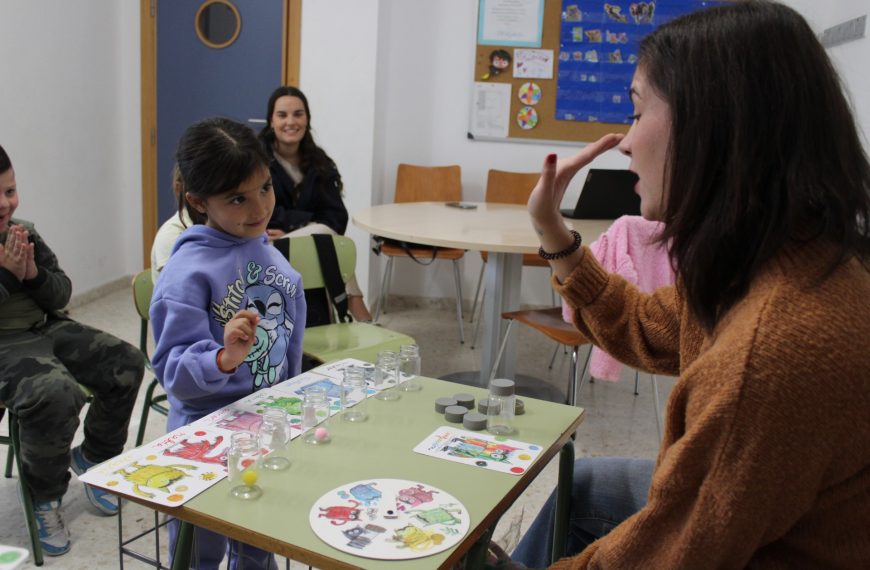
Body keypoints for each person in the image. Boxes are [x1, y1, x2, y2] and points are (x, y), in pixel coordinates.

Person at [510, 2, 870, 568]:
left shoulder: (772, 350)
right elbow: (651, 328)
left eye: (636, 110)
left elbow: (669, 557)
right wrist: (553, 231)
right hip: (751, 516)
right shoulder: (776, 258)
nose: (626, 143)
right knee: (590, 484)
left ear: (713, 124)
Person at [150, 117, 306, 569]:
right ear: (199, 201)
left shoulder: (266, 250)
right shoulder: (186, 273)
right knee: (199, 552)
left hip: (265, 428)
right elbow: (175, 371)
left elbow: (288, 349)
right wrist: (221, 358)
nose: (258, 208)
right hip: (204, 438)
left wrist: (288, 406)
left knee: (258, 546)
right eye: (237, 198)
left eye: (264, 188)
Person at [0, 143, 144, 556]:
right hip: (5, 345)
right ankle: (45, 497)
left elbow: (61, 291)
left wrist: (31, 273)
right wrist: (9, 276)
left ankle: (95, 457)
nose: (5, 203)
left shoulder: (23, 231)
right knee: (56, 393)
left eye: (10, 191)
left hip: (46, 327)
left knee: (126, 363)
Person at [259, 85, 373, 322]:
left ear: (307, 119)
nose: (291, 121)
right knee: (323, 235)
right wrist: (305, 223)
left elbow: (337, 217)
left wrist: (292, 228)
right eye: (282, 115)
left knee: (325, 236)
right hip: (266, 244)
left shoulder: (320, 163)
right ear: (271, 120)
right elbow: (259, 211)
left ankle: (346, 307)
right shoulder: (255, 160)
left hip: (306, 242)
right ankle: (353, 302)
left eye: (298, 114)